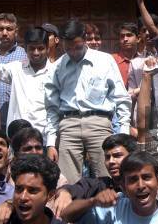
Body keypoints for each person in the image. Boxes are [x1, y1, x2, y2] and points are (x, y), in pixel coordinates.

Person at [44, 19, 131, 183]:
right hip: (68, 125)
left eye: (77, 47)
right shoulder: (57, 67)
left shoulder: (104, 60)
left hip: (99, 123)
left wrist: (124, 133)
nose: (73, 52)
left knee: (109, 178)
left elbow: (120, 97)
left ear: (85, 39)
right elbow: (51, 107)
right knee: (66, 183)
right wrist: (50, 142)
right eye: (68, 48)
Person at [0, 26, 53, 144]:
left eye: (40, 48)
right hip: (18, 139)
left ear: (47, 49)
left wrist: (52, 142)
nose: (36, 53)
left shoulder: (55, 72)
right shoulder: (16, 68)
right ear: (25, 49)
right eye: (32, 48)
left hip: (45, 140)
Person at [112, 22, 141, 88]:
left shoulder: (143, 60)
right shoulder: (111, 60)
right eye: (122, 36)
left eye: (129, 35)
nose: (125, 39)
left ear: (138, 38)